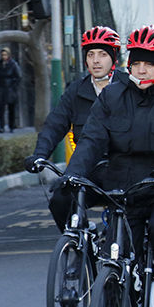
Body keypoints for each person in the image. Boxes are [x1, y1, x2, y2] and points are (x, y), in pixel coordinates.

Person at [63, 25, 154, 307]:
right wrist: (74, 175)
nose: (141, 71)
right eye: (136, 63)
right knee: (115, 255)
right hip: (123, 188)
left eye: (148, 64)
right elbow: (92, 140)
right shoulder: (112, 96)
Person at [24, 26, 130, 231]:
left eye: (102, 54)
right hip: (89, 167)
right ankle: (80, 240)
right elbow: (55, 125)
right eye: (90, 55)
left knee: (134, 215)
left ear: (113, 58)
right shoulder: (76, 90)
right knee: (60, 200)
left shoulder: (129, 87)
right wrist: (39, 155)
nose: (96, 60)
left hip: (125, 167)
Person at [0, 47, 22, 133]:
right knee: (1, 109)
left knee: (11, 109)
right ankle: (1, 126)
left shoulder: (13, 64)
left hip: (10, 89)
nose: (4, 56)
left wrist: (13, 86)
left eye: (5, 54)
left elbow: (18, 76)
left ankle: (11, 126)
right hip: (1, 88)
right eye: (2, 55)